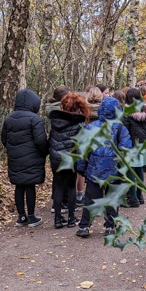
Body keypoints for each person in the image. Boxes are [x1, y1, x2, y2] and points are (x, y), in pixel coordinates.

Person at [75, 97, 132, 237]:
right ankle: (110, 226)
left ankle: (84, 226)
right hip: (114, 170)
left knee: (91, 199)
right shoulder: (120, 128)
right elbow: (126, 150)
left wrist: (81, 168)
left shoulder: (91, 127)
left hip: (94, 169)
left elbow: (83, 150)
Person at [1, 89, 50, 227]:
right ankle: (31, 216)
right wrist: (44, 152)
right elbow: (41, 141)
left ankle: (21, 217)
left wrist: (13, 149)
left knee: (19, 186)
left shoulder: (9, 119)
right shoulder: (35, 120)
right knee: (30, 186)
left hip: (15, 158)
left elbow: (4, 139)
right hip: (32, 158)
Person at [48, 93, 89, 229]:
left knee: (59, 186)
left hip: (56, 157)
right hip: (71, 159)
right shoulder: (80, 123)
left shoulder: (55, 121)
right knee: (71, 186)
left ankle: (58, 219)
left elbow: (51, 139)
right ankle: (71, 219)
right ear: (78, 108)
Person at [122, 88, 146, 206]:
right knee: (140, 169)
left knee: (131, 171)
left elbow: (124, 130)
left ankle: (133, 198)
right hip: (143, 144)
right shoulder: (145, 110)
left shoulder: (126, 112)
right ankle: (139, 195)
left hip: (131, 145)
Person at [46, 85, 70, 213]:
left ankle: (56, 202)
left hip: (53, 143)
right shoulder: (64, 110)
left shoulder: (50, 109)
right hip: (64, 143)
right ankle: (64, 202)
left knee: (57, 175)